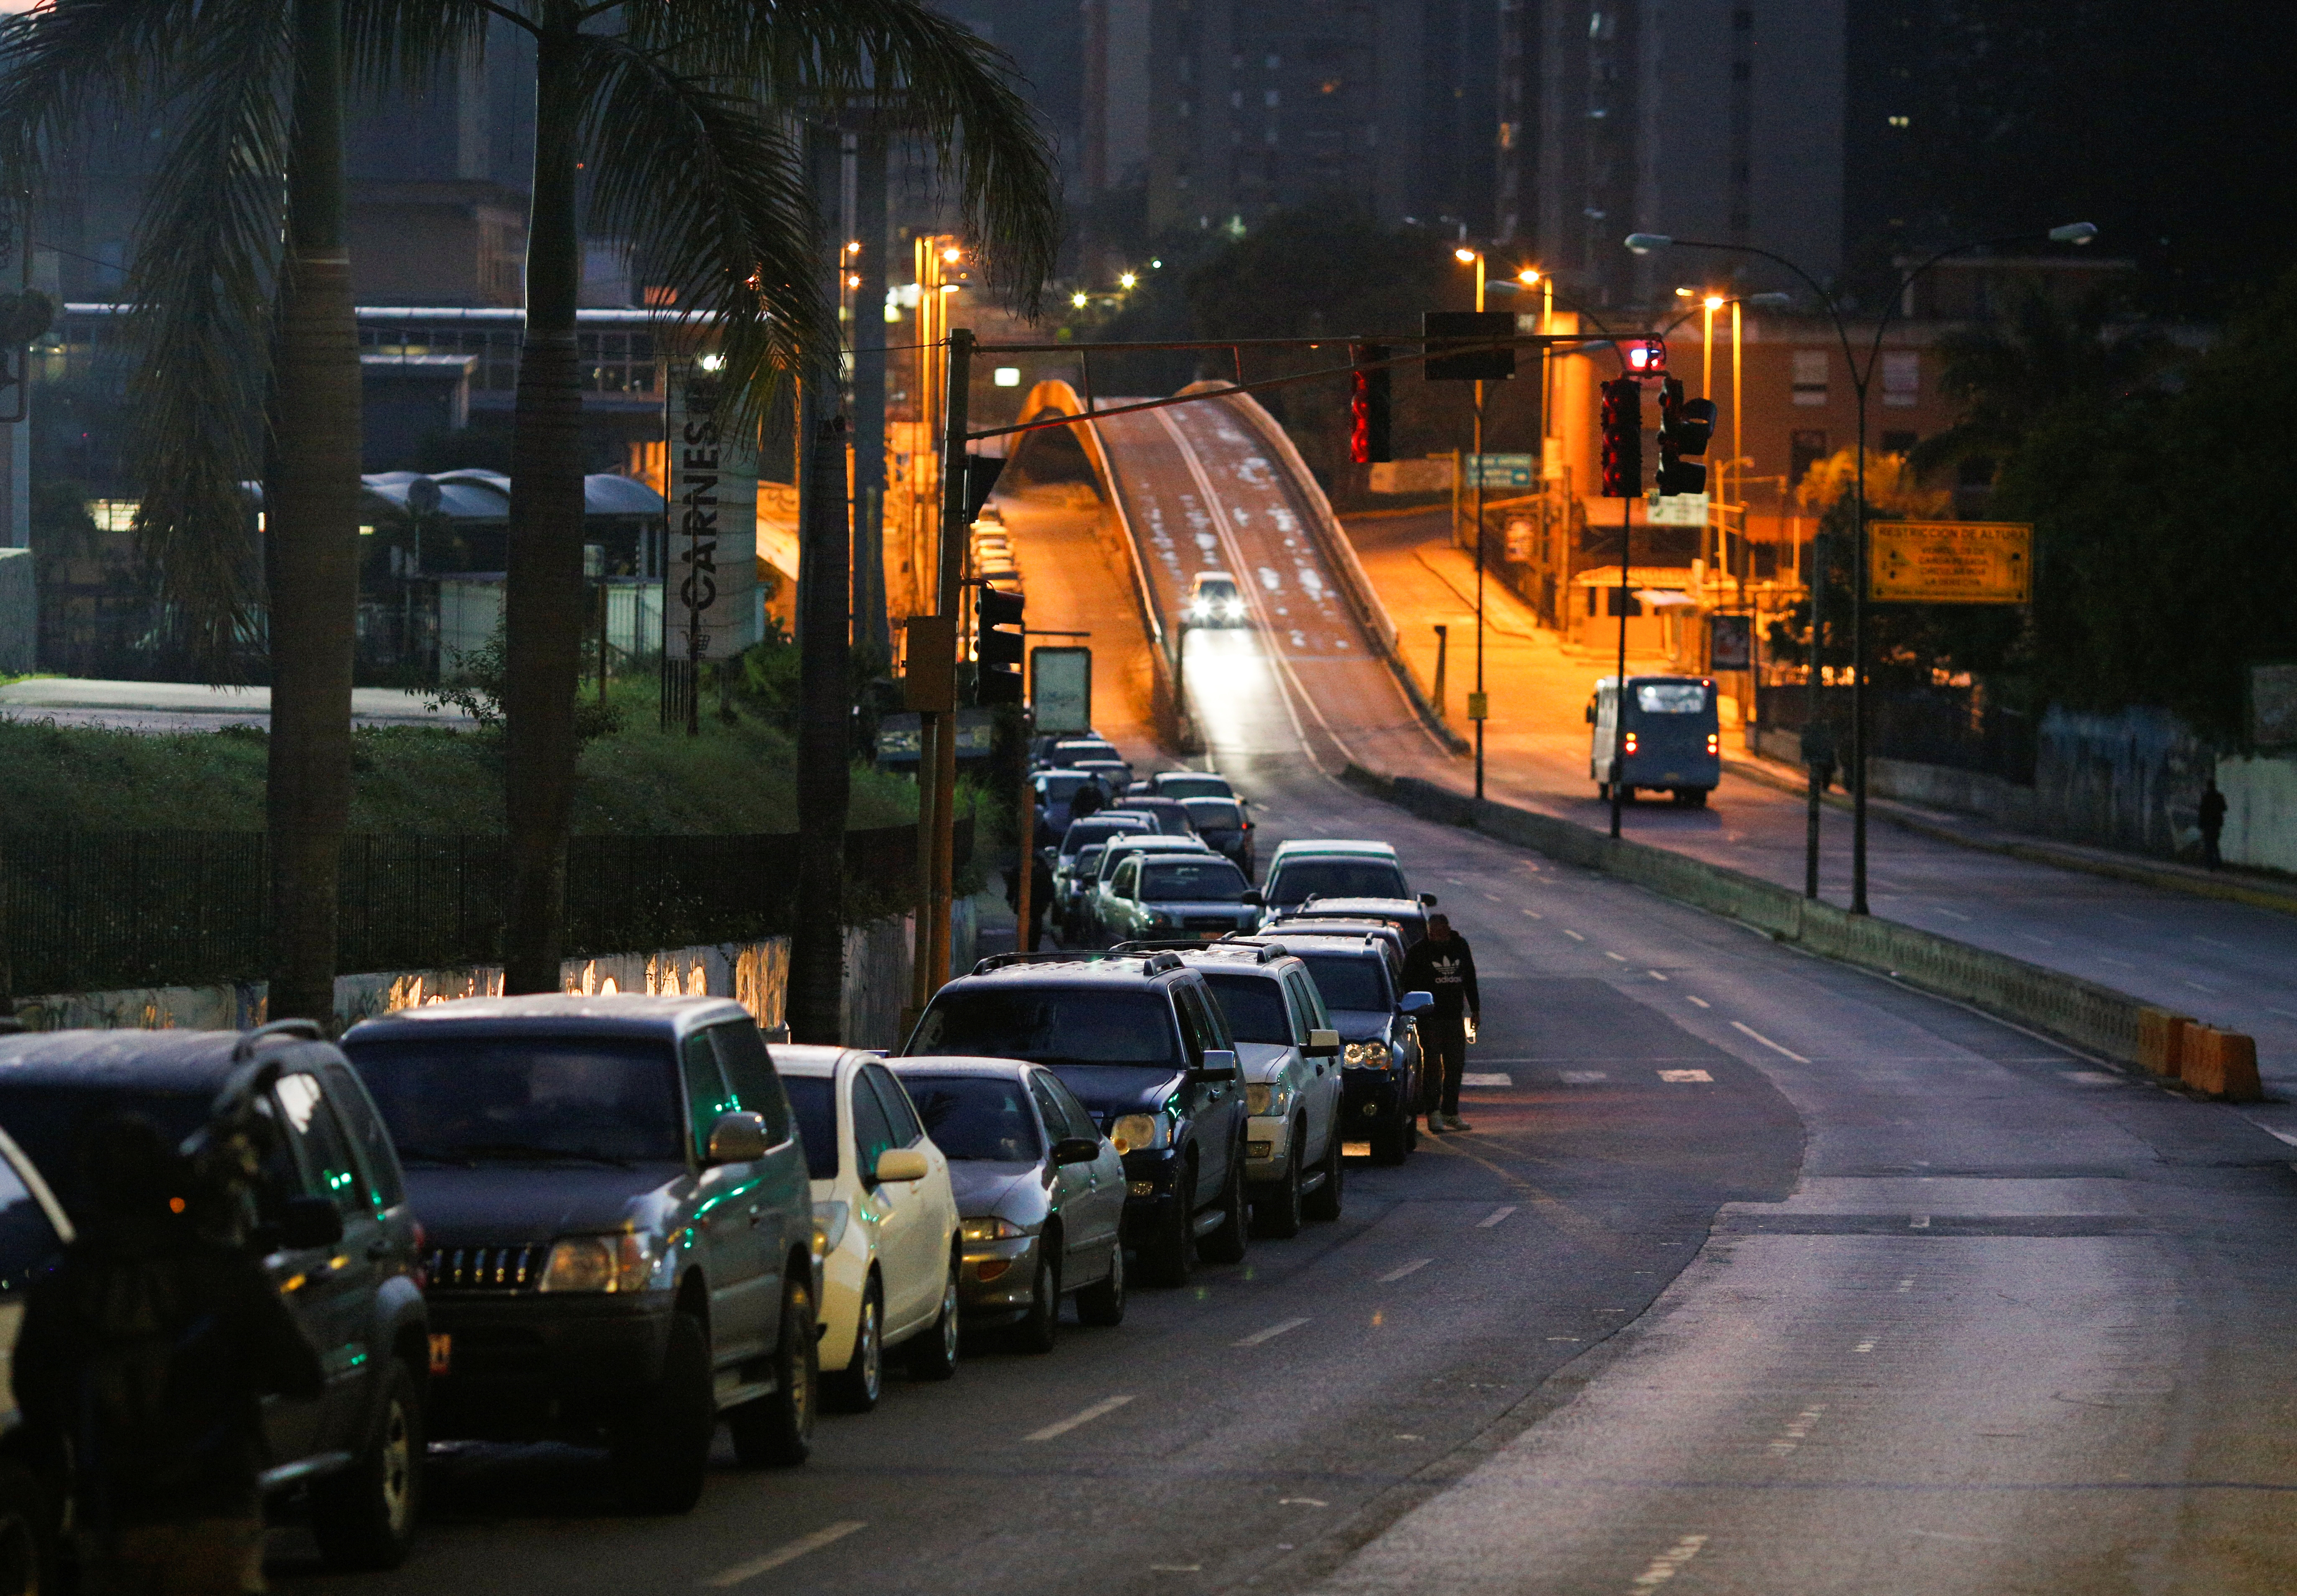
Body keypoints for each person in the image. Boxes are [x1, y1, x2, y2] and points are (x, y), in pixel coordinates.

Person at [15, 1114, 325, 1596]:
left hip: (113, 1519)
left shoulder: (65, 1283)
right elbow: (303, 1376)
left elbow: (34, 1396)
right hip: (215, 1512)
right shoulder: (220, 1270)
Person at [1400, 912, 1480, 1134]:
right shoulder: (1419, 951)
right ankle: (1433, 1112)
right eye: (1431, 932)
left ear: (1447, 929)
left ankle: (1451, 1112)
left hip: (1454, 1016)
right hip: (1430, 1018)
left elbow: (1470, 978)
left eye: (1439, 932)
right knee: (1433, 1065)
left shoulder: (1459, 946)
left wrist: (1475, 1010)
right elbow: (1406, 982)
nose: (1435, 936)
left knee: (1455, 1065)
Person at [2199, 777, 2227, 870]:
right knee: (2214, 844)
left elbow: (2202, 812)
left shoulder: (2206, 797)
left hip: (2208, 824)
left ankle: (2211, 864)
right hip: (2216, 824)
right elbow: (2224, 808)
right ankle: (2217, 863)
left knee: (2209, 844)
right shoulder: (2219, 796)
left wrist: (2201, 824)